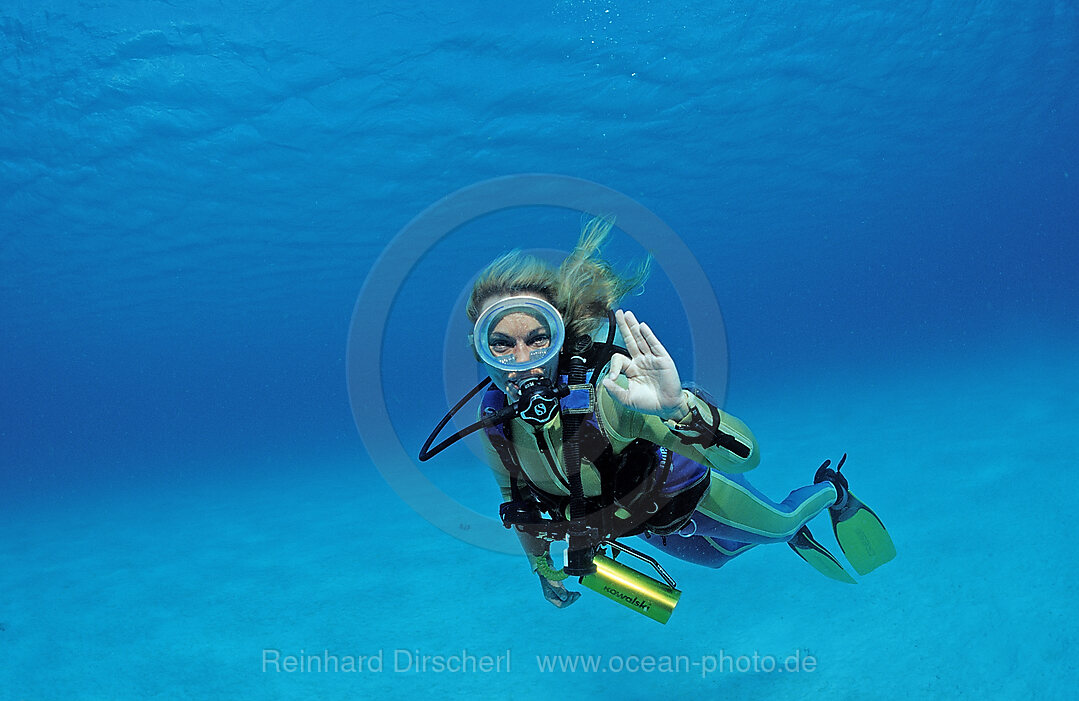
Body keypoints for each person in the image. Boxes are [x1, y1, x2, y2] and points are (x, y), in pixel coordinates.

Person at [453, 218, 894, 609]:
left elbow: (748, 456)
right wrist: (543, 572)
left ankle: (832, 491)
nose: (524, 360)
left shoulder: (608, 396)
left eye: (538, 338)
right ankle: (762, 532)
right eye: (502, 344)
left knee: (779, 526)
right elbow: (519, 506)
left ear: (560, 336)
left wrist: (679, 408)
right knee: (719, 560)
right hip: (648, 524)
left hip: (694, 494)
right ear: (480, 350)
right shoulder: (496, 425)